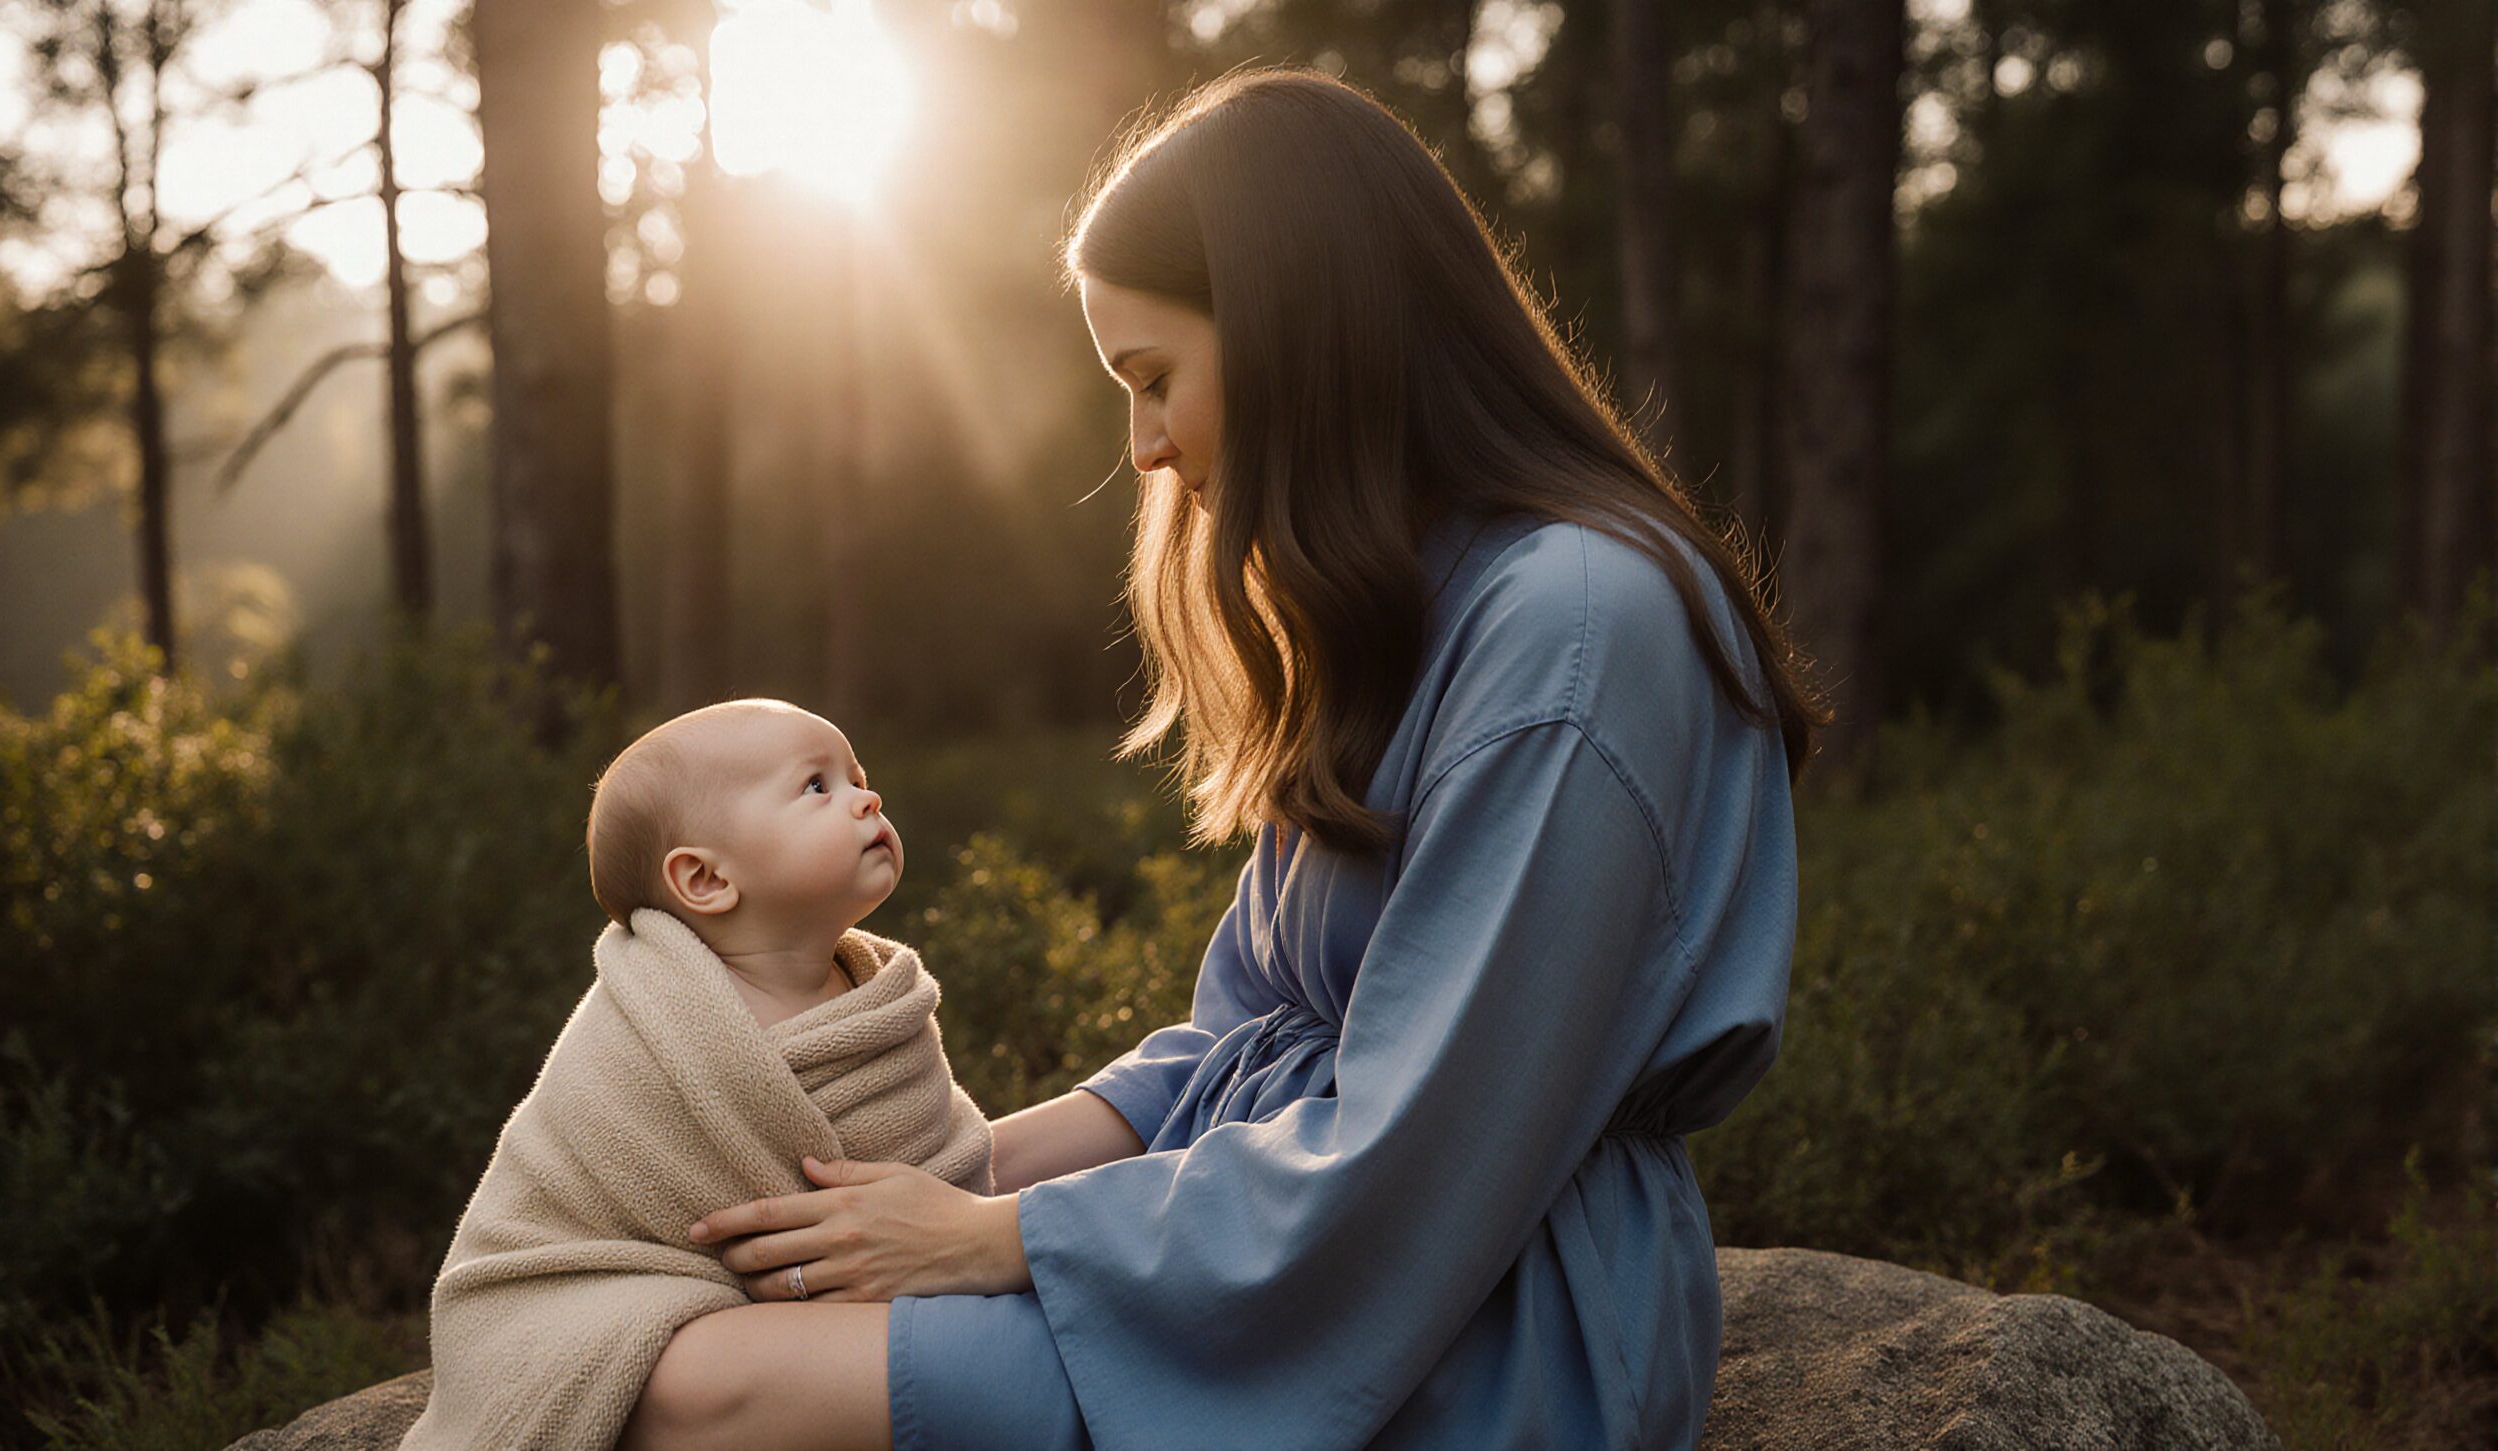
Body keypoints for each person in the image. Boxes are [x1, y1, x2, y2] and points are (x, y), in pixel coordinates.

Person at [617, 65, 1829, 1451]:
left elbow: (1425, 1153)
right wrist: (944, 1164)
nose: (1142, 447)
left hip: (1467, 1313)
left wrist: (996, 1236)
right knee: (705, 1311)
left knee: (697, 1386)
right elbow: (1242, 1029)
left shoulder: (1574, 628)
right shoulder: (1401, 600)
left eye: (1154, 379)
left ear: (1301, 335)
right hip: (1257, 1239)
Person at [402, 699, 990, 1451]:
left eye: (858, 777)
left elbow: (939, 1164)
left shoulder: (882, 1000)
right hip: (607, 1284)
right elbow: (580, 1179)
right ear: (706, 879)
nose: (866, 798)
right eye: (817, 786)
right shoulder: (651, 1028)